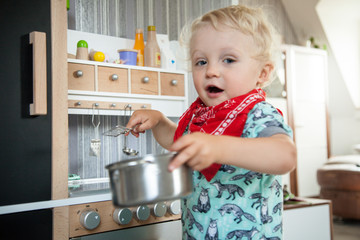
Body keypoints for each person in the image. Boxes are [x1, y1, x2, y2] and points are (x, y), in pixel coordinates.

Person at [126, 4, 296, 240]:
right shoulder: (201, 115)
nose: (211, 71)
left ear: (262, 73)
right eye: (201, 62)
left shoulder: (257, 113)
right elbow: (177, 141)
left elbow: (284, 155)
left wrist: (218, 146)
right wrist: (159, 122)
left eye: (228, 59)